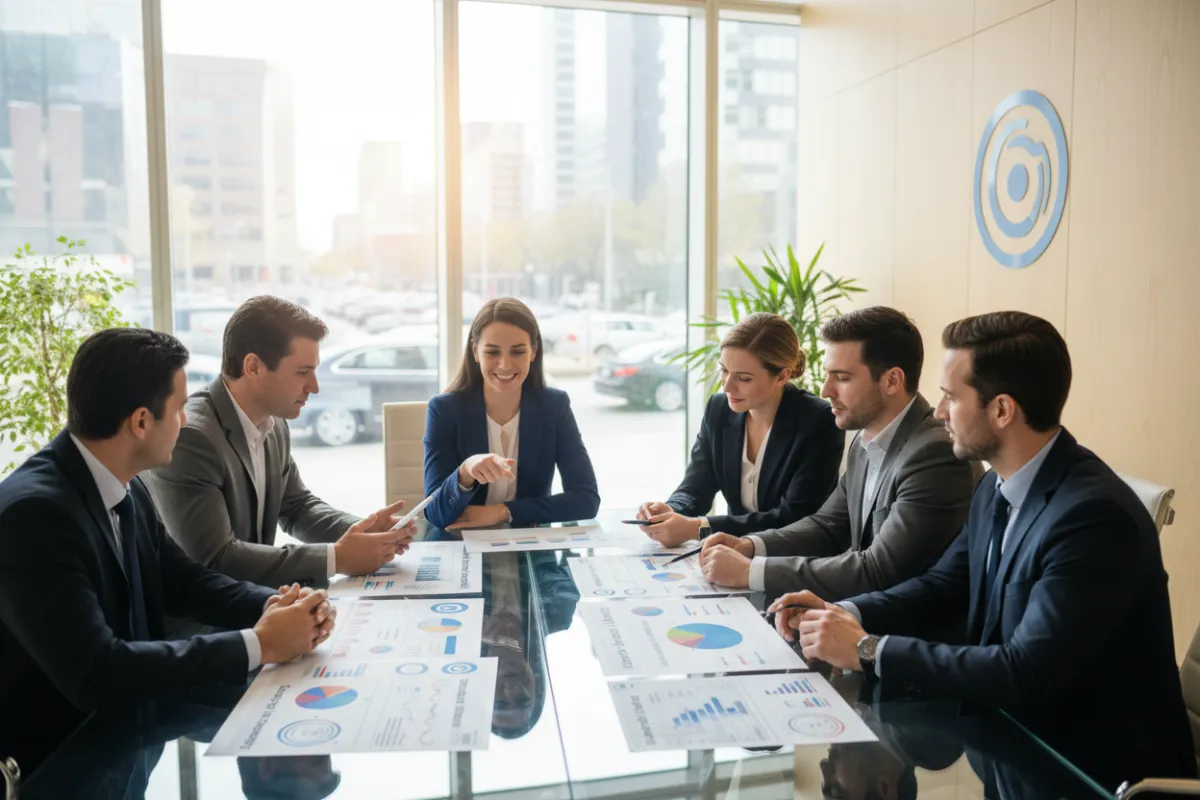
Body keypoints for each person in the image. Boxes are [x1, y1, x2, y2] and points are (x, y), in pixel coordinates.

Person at [770, 311, 1196, 790]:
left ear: (1001, 411)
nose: (937, 412)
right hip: (1006, 754)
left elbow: (1024, 671)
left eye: (951, 397)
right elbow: (943, 585)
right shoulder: (996, 485)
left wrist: (868, 649)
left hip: (1092, 773)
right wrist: (841, 610)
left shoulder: (1093, 518)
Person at [0, 328, 337, 772]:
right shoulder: (34, 515)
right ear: (141, 422)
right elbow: (99, 672)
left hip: (132, 735)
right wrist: (258, 644)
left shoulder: (125, 484)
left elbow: (185, 580)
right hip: (60, 762)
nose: (186, 419)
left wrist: (279, 605)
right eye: (179, 409)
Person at [698, 307, 979, 601]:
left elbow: (879, 570)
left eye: (842, 378)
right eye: (827, 375)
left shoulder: (935, 454)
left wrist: (751, 572)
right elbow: (828, 526)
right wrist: (751, 546)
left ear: (892, 381)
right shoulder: (866, 439)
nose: (825, 390)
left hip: (904, 633)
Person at [144, 296, 415, 589]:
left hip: (253, 599)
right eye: (302, 372)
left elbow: (296, 507)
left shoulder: (275, 422)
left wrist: (361, 530)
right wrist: (335, 558)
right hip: (202, 618)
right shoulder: (193, 437)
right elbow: (215, 558)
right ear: (253, 367)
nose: (315, 386)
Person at [636, 312, 844, 547]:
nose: (726, 386)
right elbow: (696, 487)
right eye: (724, 370)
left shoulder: (818, 421)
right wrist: (670, 510)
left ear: (782, 375)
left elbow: (794, 517)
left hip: (791, 560)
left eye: (743, 378)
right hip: (729, 554)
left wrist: (699, 528)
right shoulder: (719, 409)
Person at [423, 297, 600, 529]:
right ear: (475, 352)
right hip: (463, 545)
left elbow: (586, 500)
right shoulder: (444, 411)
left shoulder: (554, 406)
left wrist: (502, 512)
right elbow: (435, 514)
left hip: (530, 548)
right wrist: (465, 473)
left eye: (517, 352)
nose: (505, 365)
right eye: (492, 352)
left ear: (533, 352)